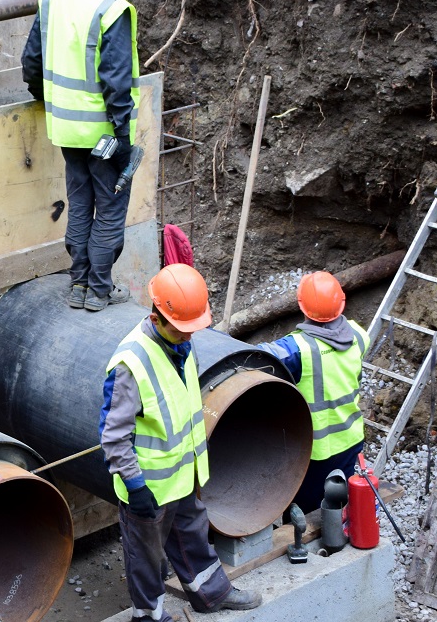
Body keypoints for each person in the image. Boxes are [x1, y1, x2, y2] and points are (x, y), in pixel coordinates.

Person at [99, 264, 263, 621]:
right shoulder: (131, 363)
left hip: (182, 476)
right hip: (149, 486)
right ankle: (149, 616)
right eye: (181, 329)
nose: (189, 336)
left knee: (193, 536)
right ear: (157, 317)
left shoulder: (182, 348)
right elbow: (113, 435)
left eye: (193, 328)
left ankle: (211, 593)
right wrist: (135, 485)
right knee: (145, 558)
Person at [21, 0, 141, 312]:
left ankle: (78, 285)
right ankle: (100, 289)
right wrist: (122, 137)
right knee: (109, 208)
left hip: (65, 129)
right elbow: (117, 82)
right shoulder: (112, 8)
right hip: (104, 134)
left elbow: (32, 60)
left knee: (79, 202)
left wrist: (46, 100)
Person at [257, 271, 370, 513]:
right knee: (344, 504)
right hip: (350, 440)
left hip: (313, 452)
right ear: (341, 302)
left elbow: (258, 357)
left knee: (304, 515)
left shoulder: (296, 349)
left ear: (302, 307)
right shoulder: (359, 335)